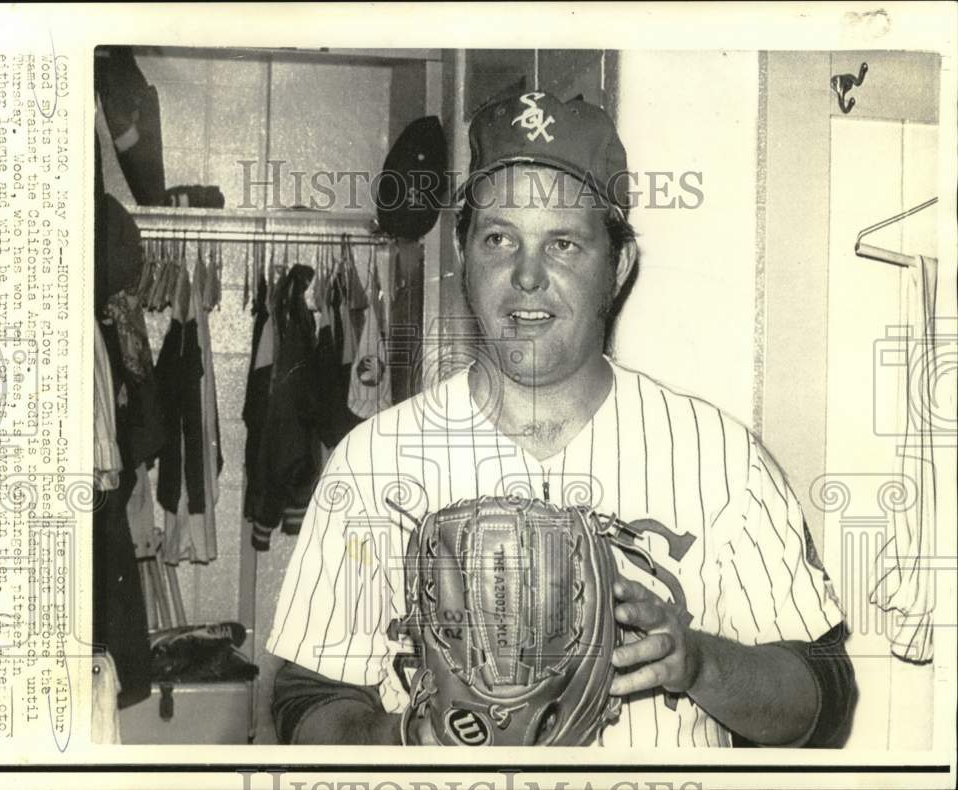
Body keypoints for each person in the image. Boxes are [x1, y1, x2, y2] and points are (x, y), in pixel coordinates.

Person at [266, 89, 856, 747]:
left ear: (618, 267)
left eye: (565, 244)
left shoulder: (718, 456)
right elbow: (307, 699)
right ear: (464, 259)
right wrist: (398, 740)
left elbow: (821, 697)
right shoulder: (374, 458)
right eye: (499, 238)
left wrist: (696, 662)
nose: (526, 276)